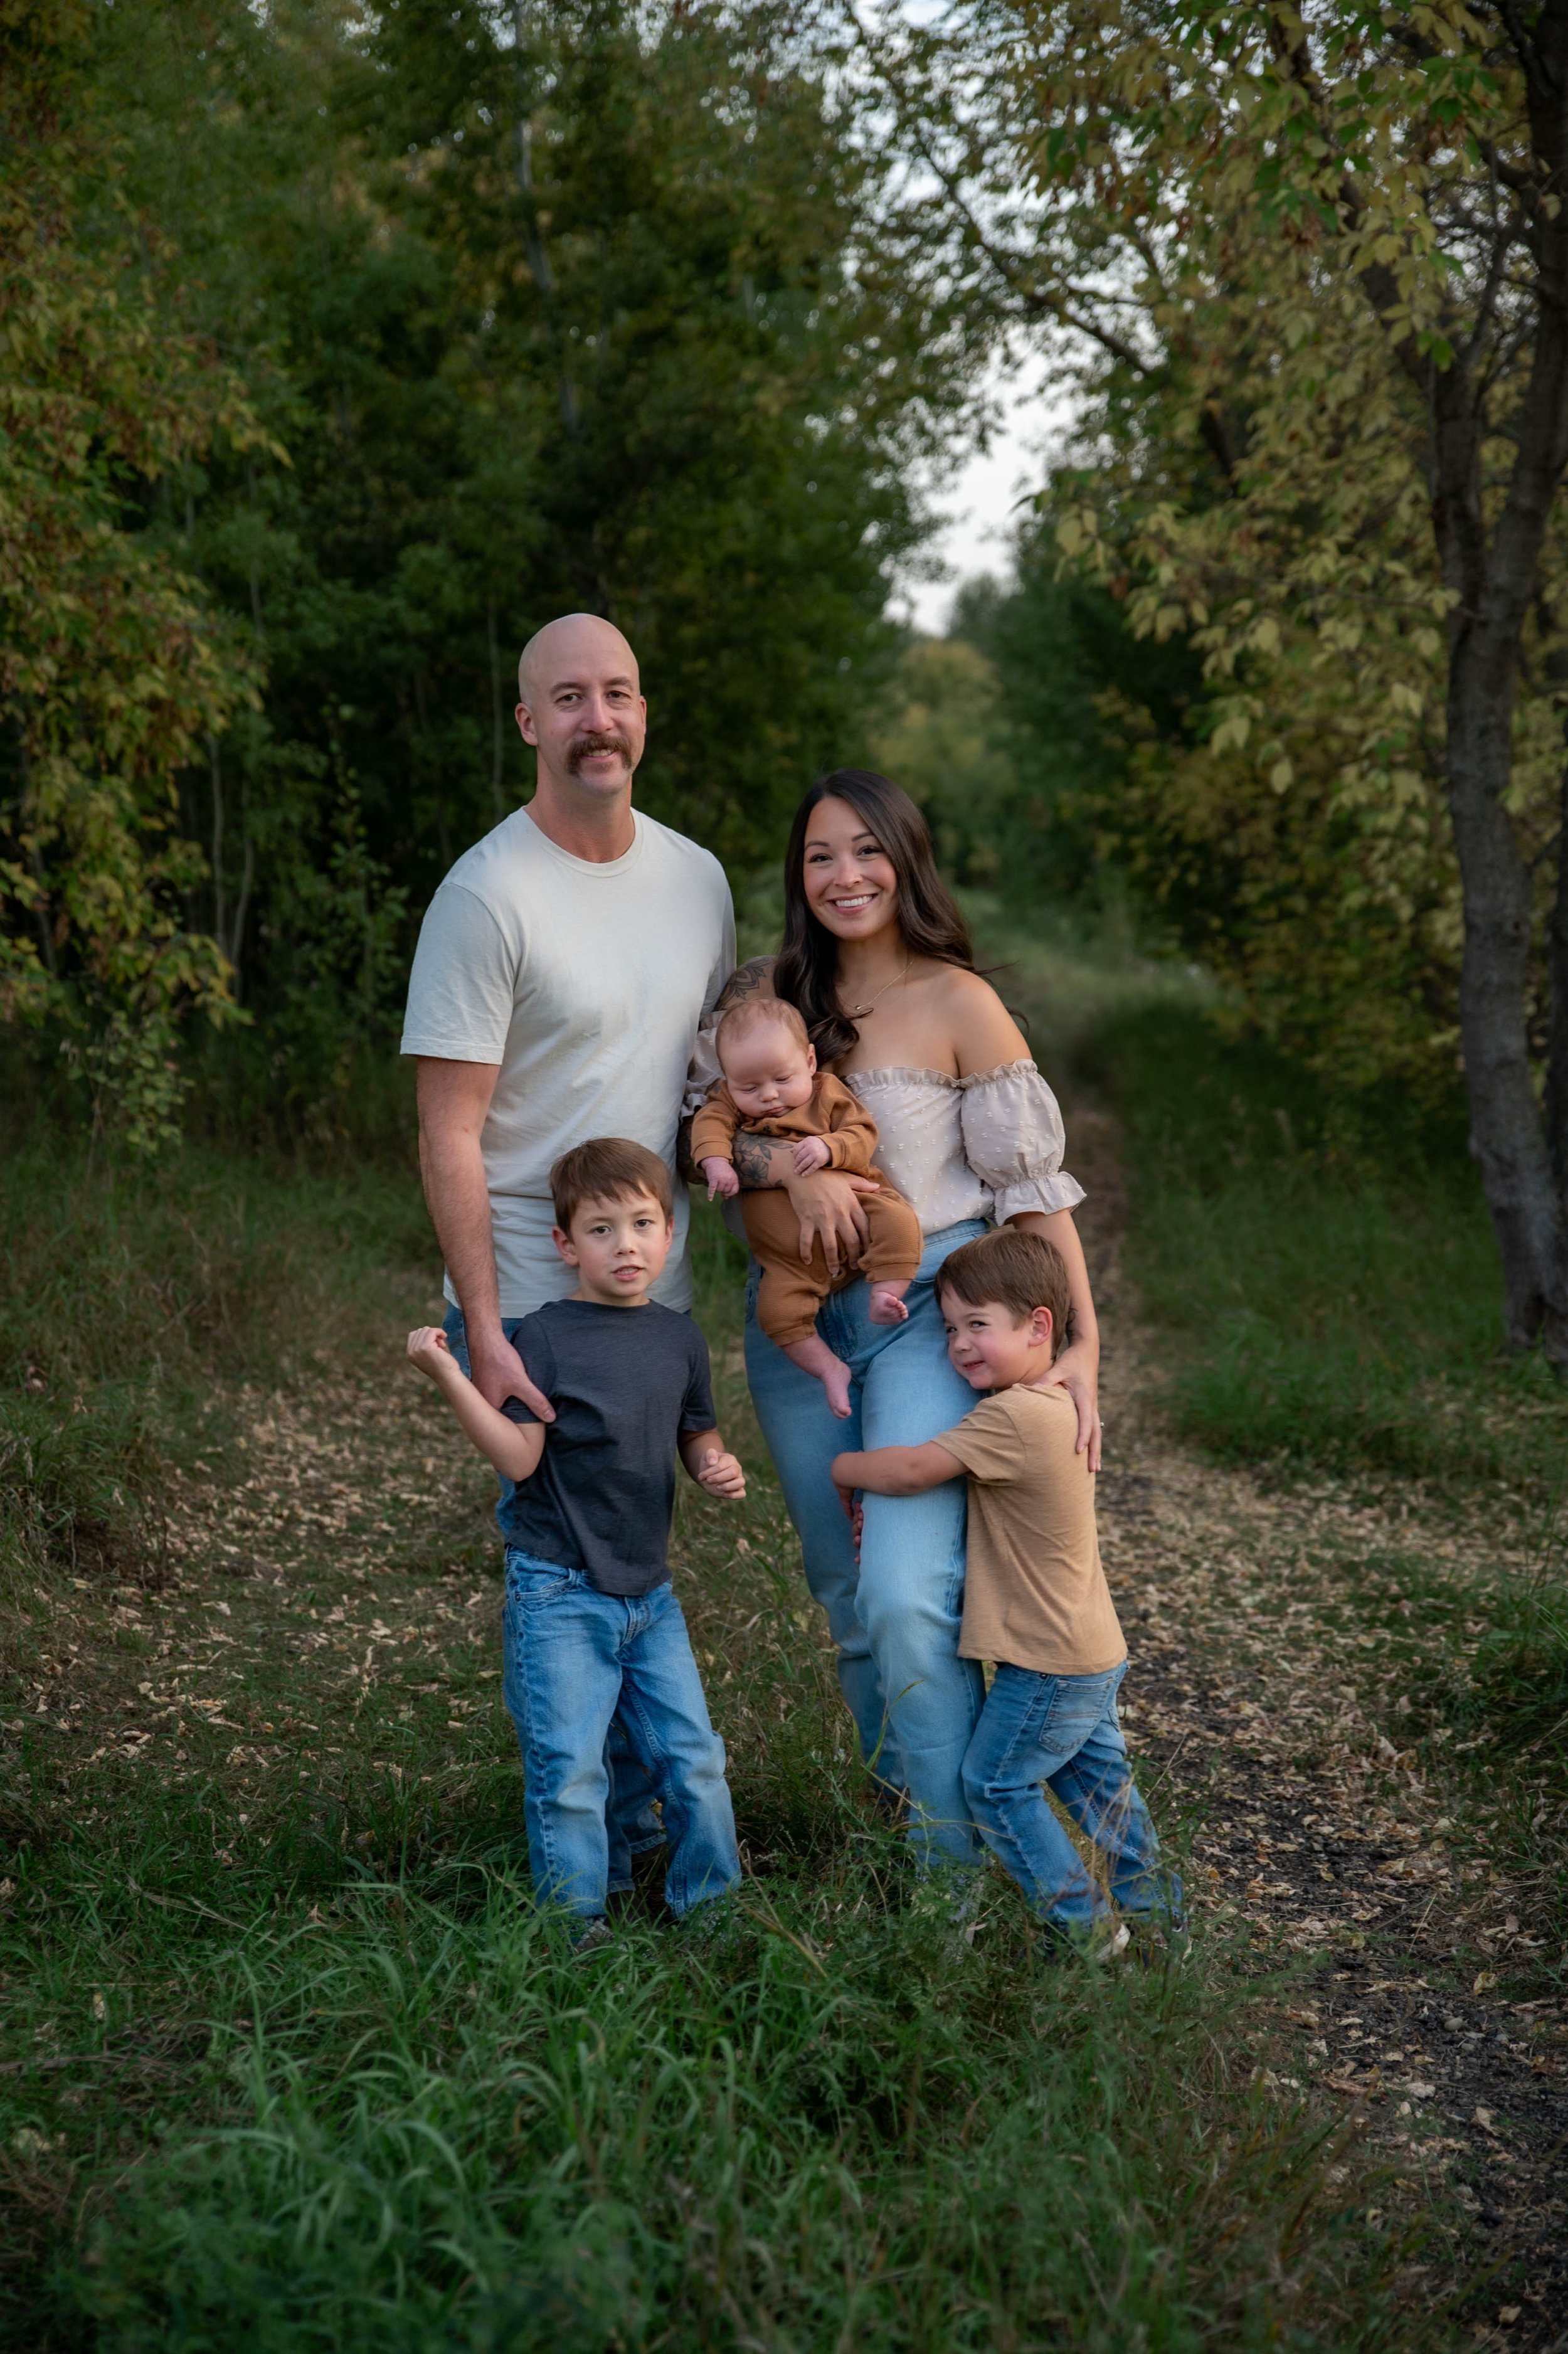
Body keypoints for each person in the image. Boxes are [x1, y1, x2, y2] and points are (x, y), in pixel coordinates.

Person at [712, 769, 1102, 1872]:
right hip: (795, 1327)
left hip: (927, 1308)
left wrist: (1082, 1345)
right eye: (820, 856)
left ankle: (959, 1877)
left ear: (906, 859)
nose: (846, 875)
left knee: (904, 1591)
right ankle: (920, 1822)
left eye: (867, 850)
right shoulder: (769, 993)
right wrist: (793, 1170)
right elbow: (706, 1131)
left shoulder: (959, 1001)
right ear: (798, 876)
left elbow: (1033, 1190)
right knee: (846, 1595)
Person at [401, 610, 735, 1892]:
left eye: (620, 693)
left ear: (643, 713)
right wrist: (483, 1325)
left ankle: (650, 1843)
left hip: (648, 1300)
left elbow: (708, 1085)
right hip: (533, 1309)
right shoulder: (486, 894)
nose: (600, 719)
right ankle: (588, 1856)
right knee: (563, 1582)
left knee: (638, 1564)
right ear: (529, 721)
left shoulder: (696, 878)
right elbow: (449, 1130)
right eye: (570, 698)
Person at [406, 1138, 746, 1943]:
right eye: (600, 1230)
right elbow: (521, 1457)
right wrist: (453, 1375)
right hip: (558, 1587)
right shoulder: (548, 1337)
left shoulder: (680, 1340)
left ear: (670, 1234)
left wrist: (715, 1466)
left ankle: (713, 1912)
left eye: (641, 1224)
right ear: (565, 1246)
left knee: (694, 1760)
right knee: (572, 1769)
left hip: (650, 1593)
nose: (625, 1245)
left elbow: (698, 1433)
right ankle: (576, 1925)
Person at [831, 1228, 1175, 1947]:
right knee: (1099, 1791)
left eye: (976, 1326)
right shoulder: (1051, 1410)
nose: (957, 1344)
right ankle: (1160, 1922)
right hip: (1087, 1649)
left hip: (1046, 1663)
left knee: (994, 1784)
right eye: (951, 1327)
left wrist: (841, 1472)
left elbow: (910, 1472)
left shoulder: (1014, 1415)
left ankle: (1084, 1931)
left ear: (1039, 1325)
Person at [691, 995, 922, 1416]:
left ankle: (886, 1292)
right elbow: (709, 1123)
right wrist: (716, 1161)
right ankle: (828, 1369)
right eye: (749, 1087)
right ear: (728, 1080)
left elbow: (862, 1133)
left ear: (811, 1061)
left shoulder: (828, 1093)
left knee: (900, 1222)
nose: (769, 1096)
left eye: (782, 1078)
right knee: (776, 1314)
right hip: (789, 1263)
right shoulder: (727, 1103)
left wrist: (830, 1146)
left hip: (860, 1210)